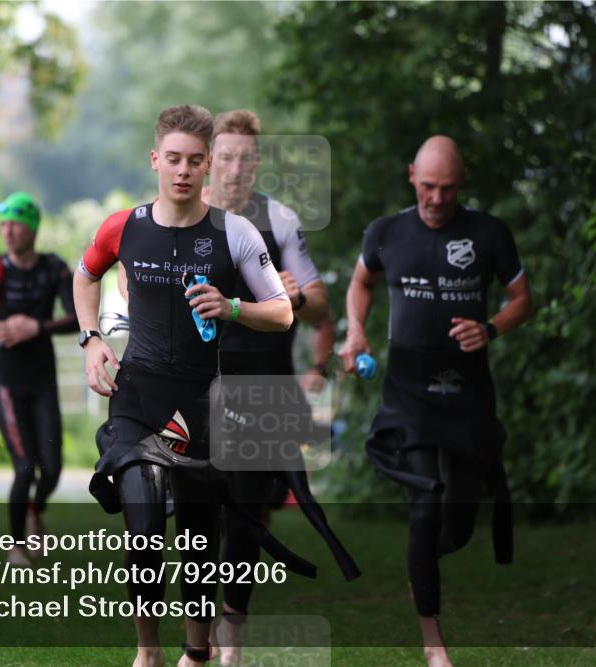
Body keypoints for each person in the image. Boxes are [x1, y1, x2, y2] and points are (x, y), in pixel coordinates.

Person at [73, 105, 293, 667]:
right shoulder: (123, 227)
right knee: (143, 526)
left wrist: (234, 306)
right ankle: (147, 653)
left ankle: (195, 653)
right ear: (155, 159)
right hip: (136, 397)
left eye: (196, 161)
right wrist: (92, 339)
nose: (183, 171)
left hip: (198, 402)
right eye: (173, 159)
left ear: (208, 166)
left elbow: (284, 312)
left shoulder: (234, 233)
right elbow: (85, 275)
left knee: (198, 536)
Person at [339, 136, 534, 667]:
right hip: (408, 391)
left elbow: (523, 300)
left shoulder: (488, 233)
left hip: (468, 390)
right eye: (428, 187)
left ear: (461, 184)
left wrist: (490, 328)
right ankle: (433, 643)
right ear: (411, 178)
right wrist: (356, 331)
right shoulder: (387, 232)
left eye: (447, 188)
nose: (436, 198)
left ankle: (423, 561)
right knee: (426, 506)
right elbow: (361, 284)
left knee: (458, 525)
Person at [202, 109, 359, 665]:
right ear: (209, 159)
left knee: (246, 512)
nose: (235, 168)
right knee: (199, 511)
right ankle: (200, 628)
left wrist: (292, 296)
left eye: (245, 158)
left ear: (257, 161)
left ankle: (232, 630)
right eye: (226, 157)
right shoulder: (187, 215)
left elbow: (319, 307)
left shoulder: (280, 218)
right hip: (201, 381)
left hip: (264, 382)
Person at [0, 191, 79, 566]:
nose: (8, 231)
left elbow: (78, 318)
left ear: (33, 228)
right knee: (24, 465)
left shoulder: (54, 268)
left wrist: (36, 327)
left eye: (15, 223)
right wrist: (9, 327)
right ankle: (17, 545)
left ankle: (35, 508)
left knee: (52, 467)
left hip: (41, 372)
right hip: (4, 375)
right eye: (3, 224)